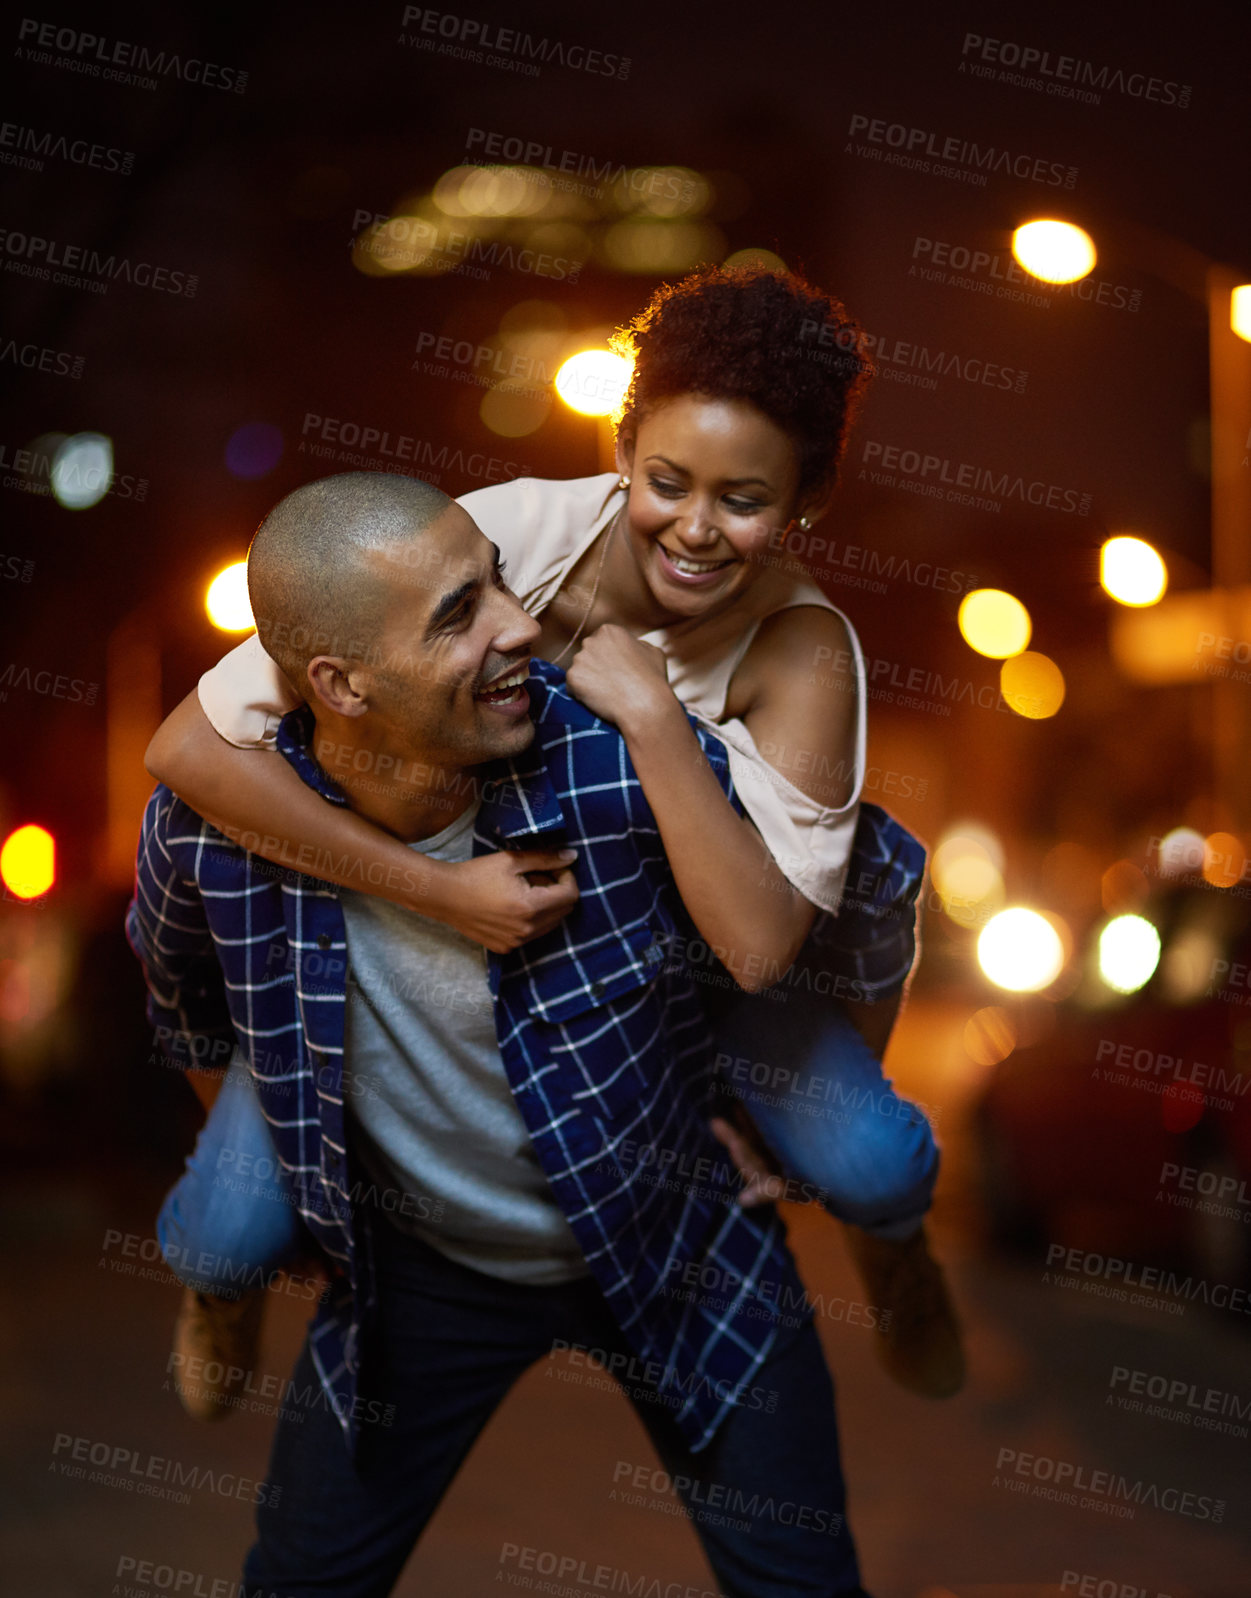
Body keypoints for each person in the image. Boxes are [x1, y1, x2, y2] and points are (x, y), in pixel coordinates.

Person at [146, 265, 961, 1408]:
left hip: (694, 957)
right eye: (666, 479)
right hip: (465, 925)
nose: (693, 526)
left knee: (876, 1165)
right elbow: (186, 750)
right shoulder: (508, 539)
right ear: (622, 449)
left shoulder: (806, 654)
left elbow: (765, 949)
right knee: (222, 1231)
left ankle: (896, 1251)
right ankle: (217, 1287)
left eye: (743, 499)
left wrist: (654, 720)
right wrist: (434, 895)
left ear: (806, 500)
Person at [128, 471, 875, 1596]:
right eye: (456, 614)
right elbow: (183, 997)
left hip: (679, 1242)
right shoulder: (213, 828)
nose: (521, 623)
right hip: (424, 1270)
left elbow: (812, 924)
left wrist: (756, 1117)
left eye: (496, 581)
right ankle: (217, 1270)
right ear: (339, 681)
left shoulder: (616, 763)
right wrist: (282, 1158)